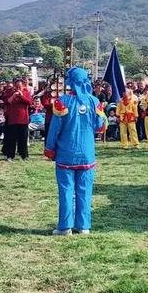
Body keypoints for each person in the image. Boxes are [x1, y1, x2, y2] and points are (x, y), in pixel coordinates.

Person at [44, 67, 106, 235]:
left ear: (70, 82)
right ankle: (84, 226)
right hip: (87, 154)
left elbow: (54, 129)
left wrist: (49, 149)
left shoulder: (62, 101)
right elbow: (101, 126)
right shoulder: (94, 101)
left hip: (66, 154)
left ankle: (65, 227)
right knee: (85, 190)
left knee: (66, 191)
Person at [4, 79, 33, 161]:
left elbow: (30, 103)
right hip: (13, 118)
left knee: (23, 138)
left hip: (23, 118)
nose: (18, 88)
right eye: (16, 86)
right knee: (11, 138)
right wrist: (13, 95)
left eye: (19, 86)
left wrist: (21, 95)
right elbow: (7, 101)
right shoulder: (10, 92)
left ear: (23, 86)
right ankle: (10, 156)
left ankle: (24, 155)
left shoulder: (26, 92)